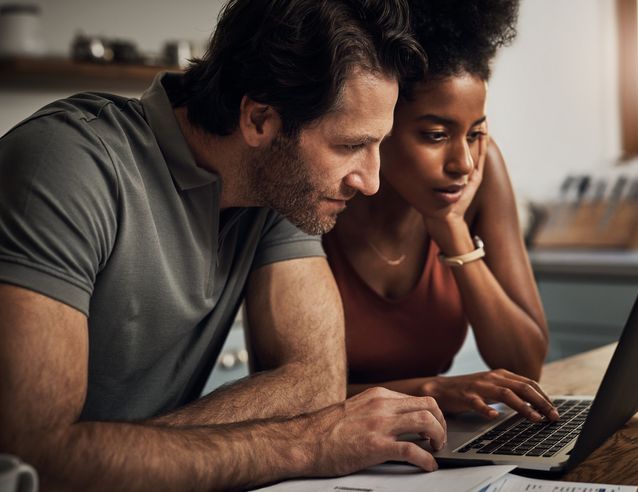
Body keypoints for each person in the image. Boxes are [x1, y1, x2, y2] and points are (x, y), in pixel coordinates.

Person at [0, 1, 449, 490]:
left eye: (377, 144)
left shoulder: (282, 188)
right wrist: (307, 444)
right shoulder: (67, 165)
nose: (371, 182)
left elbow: (314, 386)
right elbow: (33, 464)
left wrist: (112, 457)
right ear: (259, 120)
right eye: (348, 146)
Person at [324, 0, 559, 423]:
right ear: (378, 124)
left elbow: (526, 366)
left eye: (476, 133)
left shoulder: (481, 174)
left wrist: (452, 231)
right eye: (435, 135)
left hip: (435, 444)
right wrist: (430, 390)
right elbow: (287, 395)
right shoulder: (322, 191)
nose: (464, 163)